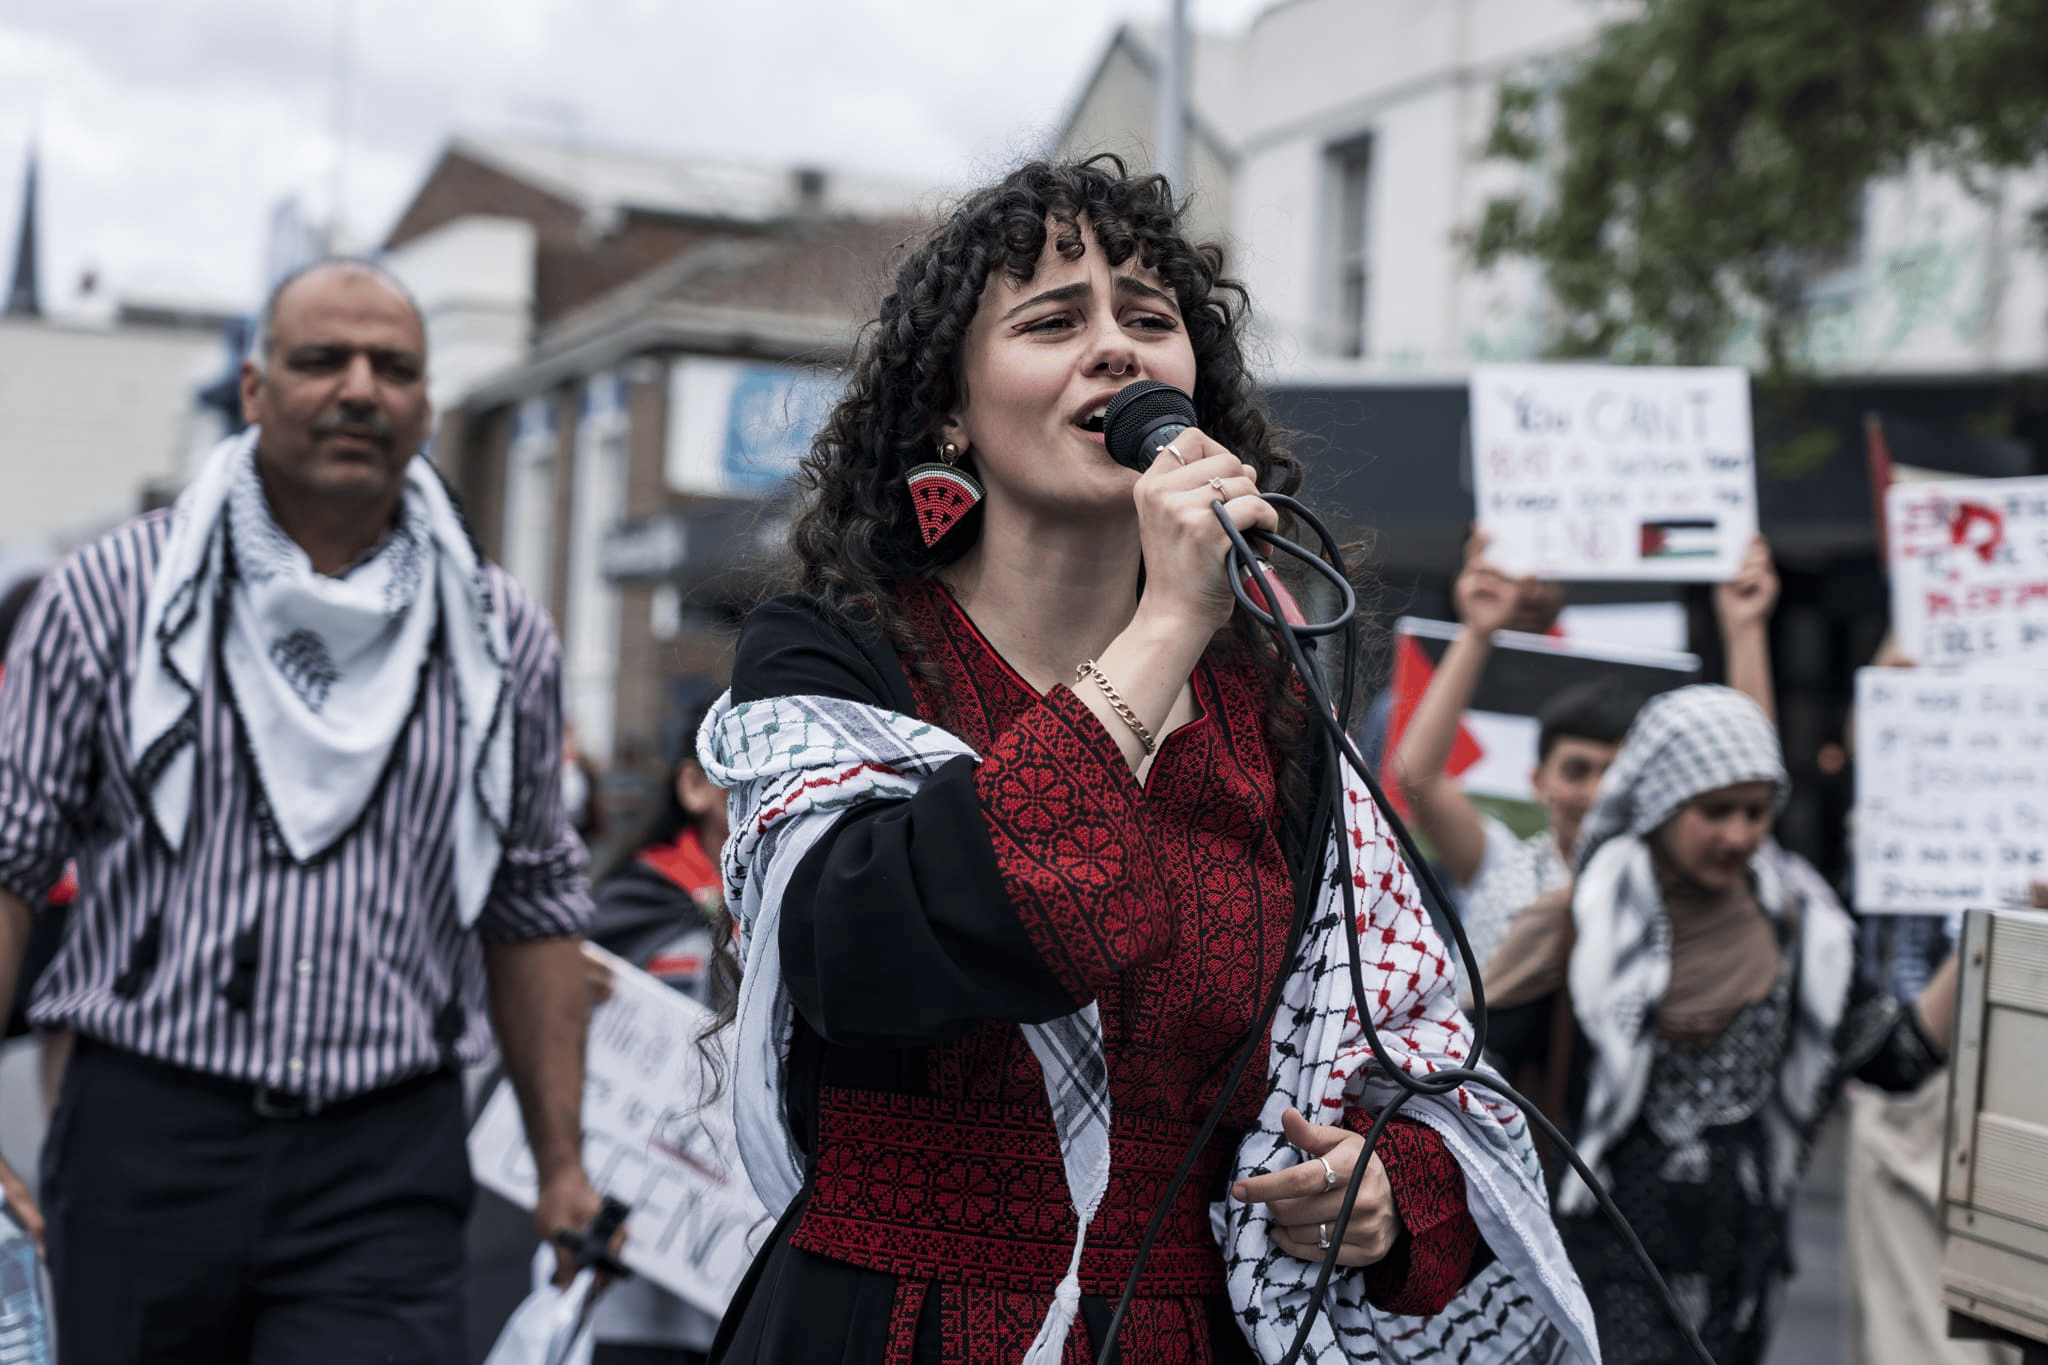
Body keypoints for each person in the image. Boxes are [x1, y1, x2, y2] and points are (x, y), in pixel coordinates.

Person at [694, 157, 1597, 1365]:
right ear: (948, 410)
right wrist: (1163, 626)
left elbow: (1410, 1052)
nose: (1115, 349)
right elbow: (861, 955)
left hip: (1179, 1330)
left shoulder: (1268, 715)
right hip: (892, 1320)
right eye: (1052, 320)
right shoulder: (835, 656)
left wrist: (1385, 1192)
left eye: (1150, 320)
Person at [0, 258, 602, 1362]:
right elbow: (10, 856)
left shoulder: (498, 634)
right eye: (321, 360)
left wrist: (560, 1165)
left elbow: (530, 904)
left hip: (384, 1166)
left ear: (426, 403)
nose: (360, 389)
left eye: (394, 368)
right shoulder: (112, 598)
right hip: (148, 1140)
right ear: (253, 390)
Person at [1481, 684, 1957, 1365]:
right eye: (1716, 810)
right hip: (1595, 1265)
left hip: (1740, 1278)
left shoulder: (1802, 934)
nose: (1739, 834)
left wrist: (1984, 927)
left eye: (1757, 812)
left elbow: (1900, 1057)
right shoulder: (1577, 926)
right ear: (1662, 802)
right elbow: (1472, 1071)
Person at [1393, 530, 1782, 996]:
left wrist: (1745, 630)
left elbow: (1745, 775)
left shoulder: (1676, 875)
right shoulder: (1501, 864)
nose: (1597, 792)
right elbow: (1416, 777)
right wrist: (1478, 631)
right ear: (1538, 782)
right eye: (1577, 771)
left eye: (1614, 771)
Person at [581, 695, 735, 1363]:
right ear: (693, 786)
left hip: (739, 1229)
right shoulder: (634, 903)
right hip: (646, 1222)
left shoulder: (800, 894)